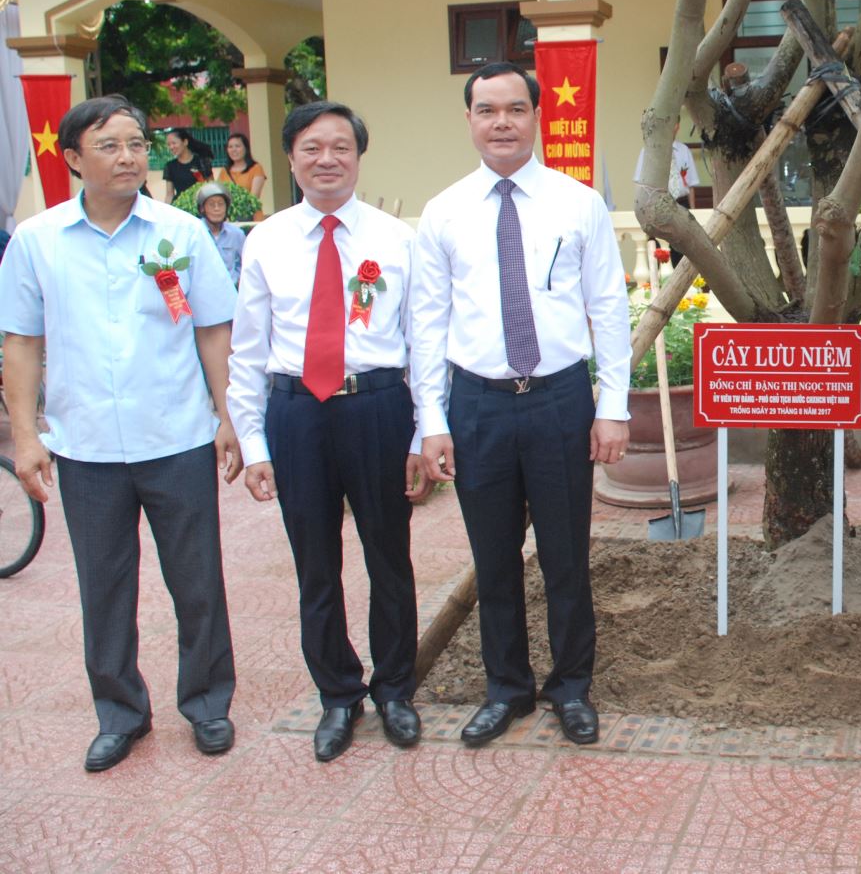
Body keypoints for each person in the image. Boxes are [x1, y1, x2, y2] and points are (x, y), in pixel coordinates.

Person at [0, 95, 240, 772]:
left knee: (197, 580)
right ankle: (120, 712)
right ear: (74, 158)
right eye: (109, 145)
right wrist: (26, 436)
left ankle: (207, 702)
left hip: (177, 436)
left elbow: (213, 329)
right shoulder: (38, 240)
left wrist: (229, 418)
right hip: (86, 446)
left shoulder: (180, 232)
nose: (129, 156)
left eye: (137, 143)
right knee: (103, 586)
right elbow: (22, 341)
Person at [411, 61, 631, 748]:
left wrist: (613, 404)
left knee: (566, 554)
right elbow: (427, 322)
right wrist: (432, 421)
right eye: (487, 110)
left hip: (559, 400)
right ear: (469, 120)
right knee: (494, 557)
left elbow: (608, 306)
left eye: (514, 109)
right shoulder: (444, 212)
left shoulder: (578, 204)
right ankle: (506, 688)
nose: (500, 122)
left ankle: (571, 686)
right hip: (477, 405)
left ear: (536, 116)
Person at [227, 100, 431, 762]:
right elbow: (247, 350)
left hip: (377, 407)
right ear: (290, 157)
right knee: (315, 564)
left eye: (341, 146)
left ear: (359, 156)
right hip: (297, 414)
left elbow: (423, 343)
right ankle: (338, 693)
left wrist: (422, 434)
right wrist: (253, 443)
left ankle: (395, 688)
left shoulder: (396, 239)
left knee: (389, 556)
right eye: (312, 147)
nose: (327, 159)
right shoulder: (266, 240)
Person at [633, 120, 700, 265]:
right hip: (656, 205)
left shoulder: (684, 151)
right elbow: (640, 184)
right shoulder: (648, 150)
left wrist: (693, 211)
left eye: (674, 123)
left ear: (678, 126)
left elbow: (691, 186)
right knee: (661, 252)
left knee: (683, 252)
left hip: (681, 204)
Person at [196, 182, 245, 285]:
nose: (217, 208)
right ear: (202, 208)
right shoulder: (195, 233)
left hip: (231, 290)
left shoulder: (237, 234)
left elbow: (245, 264)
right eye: (211, 204)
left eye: (221, 204)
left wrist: (238, 280)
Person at [215, 132, 268, 219]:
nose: (234, 150)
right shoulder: (224, 171)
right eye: (230, 147)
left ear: (246, 148)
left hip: (251, 217)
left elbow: (254, 197)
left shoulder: (256, 168)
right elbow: (218, 194)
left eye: (237, 146)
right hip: (230, 219)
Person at [162, 127, 214, 203]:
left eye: (174, 143)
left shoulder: (202, 162)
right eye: (169, 144)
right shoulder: (170, 166)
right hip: (180, 205)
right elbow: (169, 194)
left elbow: (212, 187)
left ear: (185, 142)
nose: (171, 147)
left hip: (200, 204)